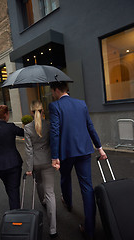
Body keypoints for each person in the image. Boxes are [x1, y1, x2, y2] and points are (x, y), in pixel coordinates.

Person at [49, 81, 107, 240]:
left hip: (66, 152)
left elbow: (54, 132)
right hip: (83, 150)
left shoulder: (55, 106)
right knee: (87, 187)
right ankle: (89, 230)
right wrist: (99, 147)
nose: (52, 94)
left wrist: (54, 157)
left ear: (55, 90)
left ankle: (67, 202)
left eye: (52, 91)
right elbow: (90, 126)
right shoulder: (81, 104)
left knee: (65, 177)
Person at [24, 100, 58, 239]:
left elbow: (29, 150)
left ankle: (42, 201)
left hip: (36, 163)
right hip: (48, 160)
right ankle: (53, 229)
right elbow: (54, 142)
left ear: (31, 112)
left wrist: (29, 168)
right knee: (51, 193)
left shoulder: (27, 128)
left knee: (39, 183)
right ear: (43, 111)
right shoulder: (49, 124)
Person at [0, 105, 24, 210]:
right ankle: (16, 217)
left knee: (9, 187)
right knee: (13, 189)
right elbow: (24, 133)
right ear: (6, 115)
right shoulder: (11, 127)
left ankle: (13, 203)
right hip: (14, 164)